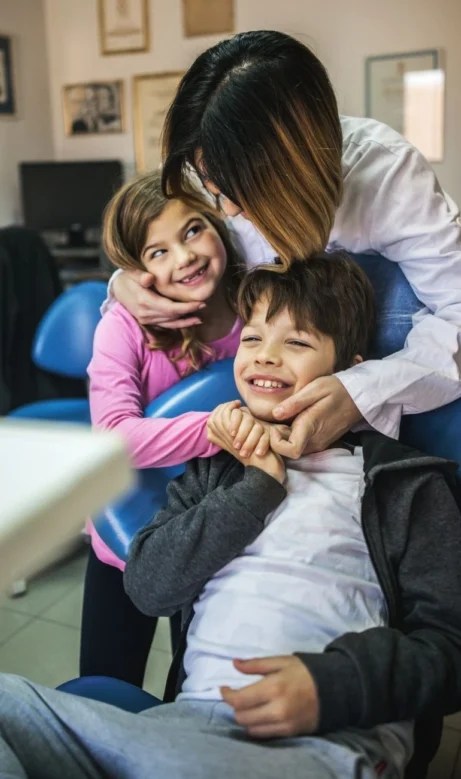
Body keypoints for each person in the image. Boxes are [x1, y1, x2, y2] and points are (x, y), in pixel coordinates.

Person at [2, 255, 461, 779]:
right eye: (252, 339)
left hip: (323, 743)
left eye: (297, 342)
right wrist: (256, 489)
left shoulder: (405, 483)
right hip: (182, 729)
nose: (265, 358)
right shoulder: (215, 471)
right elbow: (149, 588)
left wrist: (333, 686)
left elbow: (449, 646)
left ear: (351, 371)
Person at [107, 29, 461, 459]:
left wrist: (361, 392)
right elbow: (166, 246)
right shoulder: (212, 171)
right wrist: (123, 284)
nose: (229, 211)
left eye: (240, 191)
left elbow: (457, 310)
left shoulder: (387, 175)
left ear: (298, 166)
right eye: (212, 188)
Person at [81, 171, 253, 687]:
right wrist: (223, 427)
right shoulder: (124, 326)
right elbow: (114, 437)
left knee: (194, 680)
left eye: (193, 230)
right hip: (127, 531)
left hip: (214, 533)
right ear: (136, 271)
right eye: (157, 252)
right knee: (104, 687)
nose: (185, 257)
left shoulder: (262, 308)